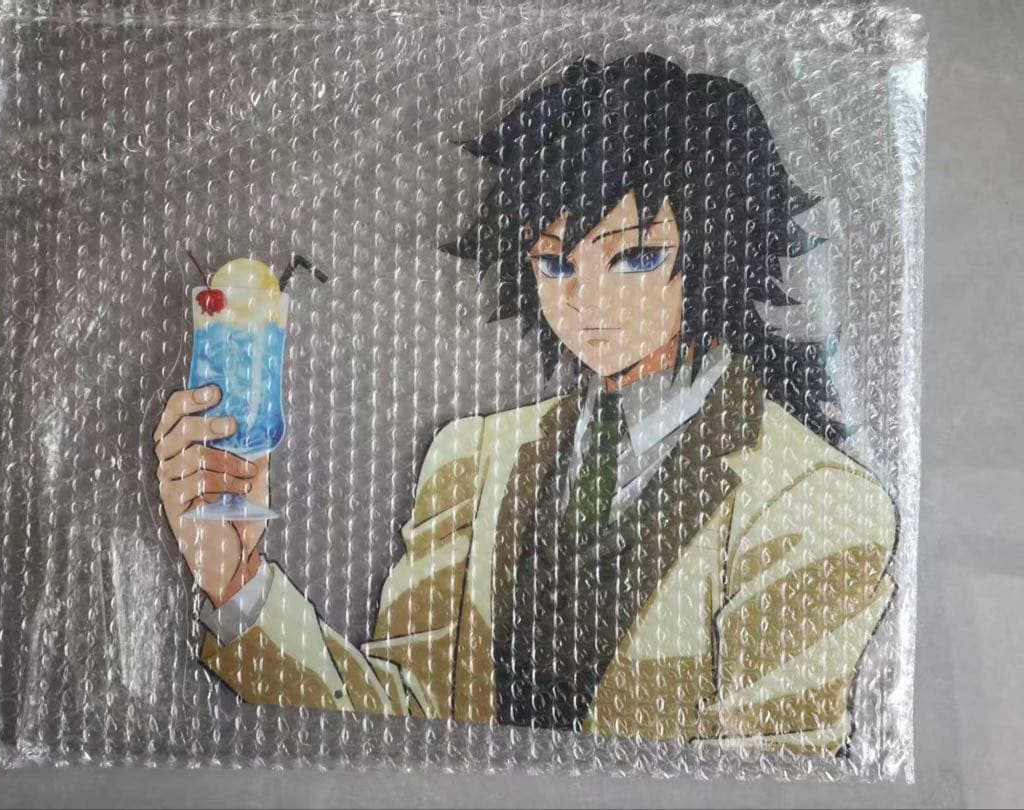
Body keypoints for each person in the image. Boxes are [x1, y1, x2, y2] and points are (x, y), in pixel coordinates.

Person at [154, 53, 896, 754]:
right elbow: (397, 728)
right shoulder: (473, 461)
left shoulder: (816, 501)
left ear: (718, 249)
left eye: (636, 257)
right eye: (556, 264)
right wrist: (237, 583)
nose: (587, 300)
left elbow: (771, 779)